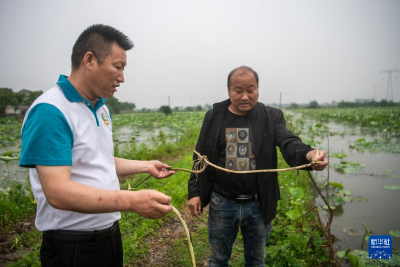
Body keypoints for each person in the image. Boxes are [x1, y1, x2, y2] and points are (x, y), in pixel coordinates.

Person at [19, 24, 175, 267]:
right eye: (118, 67)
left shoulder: (100, 108)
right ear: (89, 60)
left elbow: (98, 160)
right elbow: (58, 192)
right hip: (72, 248)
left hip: (110, 236)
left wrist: (146, 166)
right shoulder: (50, 110)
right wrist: (132, 201)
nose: (122, 78)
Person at [188, 66, 328, 266]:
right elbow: (199, 156)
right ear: (228, 90)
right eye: (238, 91)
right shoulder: (214, 116)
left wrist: (309, 154)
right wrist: (194, 192)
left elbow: (288, 141)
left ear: (258, 89)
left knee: (256, 260)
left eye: (251, 90)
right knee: (218, 260)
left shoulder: (271, 117)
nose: (245, 96)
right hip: (222, 203)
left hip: (258, 204)